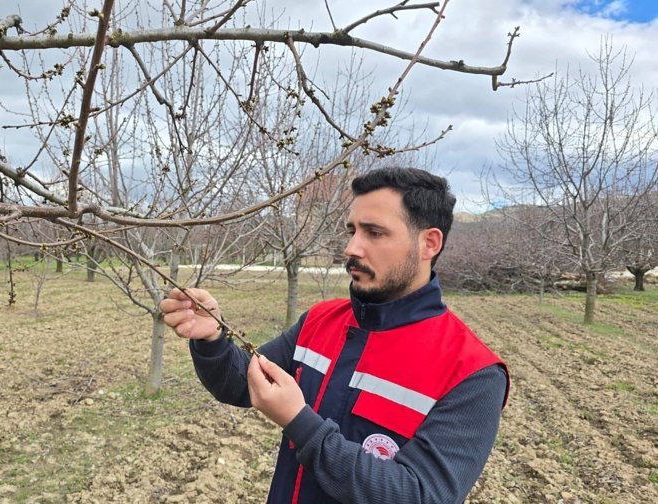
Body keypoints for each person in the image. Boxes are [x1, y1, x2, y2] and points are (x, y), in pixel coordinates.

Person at [160, 167, 510, 504]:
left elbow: (421, 494)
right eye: (352, 230)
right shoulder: (320, 321)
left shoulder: (473, 373)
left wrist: (300, 422)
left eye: (374, 233)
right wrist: (213, 340)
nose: (351, 248)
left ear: (429, 243)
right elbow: (242, 384)